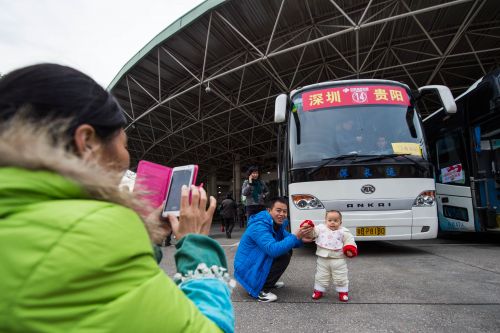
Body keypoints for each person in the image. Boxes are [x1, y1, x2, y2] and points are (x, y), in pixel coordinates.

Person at [0, 64, 234, 333]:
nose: (126, 159)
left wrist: (147, 233)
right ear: (87, 142)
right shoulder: (91, 234)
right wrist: (197, 249)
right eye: (124, 145)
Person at [234, 197, 313, 302]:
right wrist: (295, 236)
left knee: (286, 250)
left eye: (284, 211)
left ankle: (266, 281)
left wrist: (301, 239)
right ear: (269, 210)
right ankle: (261, 290)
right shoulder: (259, 225)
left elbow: (288, 239)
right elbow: (273, 250)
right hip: (247, 268)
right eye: (278, 210)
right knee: (282, 255)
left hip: (254, 262)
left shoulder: (276, 224)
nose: (282, 214)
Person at [309, 210, 358, 302]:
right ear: (325, 221)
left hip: (338, 259)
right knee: (321, 275)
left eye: (335, 220)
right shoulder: (320, 229)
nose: (332, 222)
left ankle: (343, 292)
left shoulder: (344, 232)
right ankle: (318, 290)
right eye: (330, 220)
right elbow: (312, 233)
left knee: (340, 276)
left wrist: (349, 249)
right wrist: (309, 227)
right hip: (323, 258)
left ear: (340, 222)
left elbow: (350, 241)